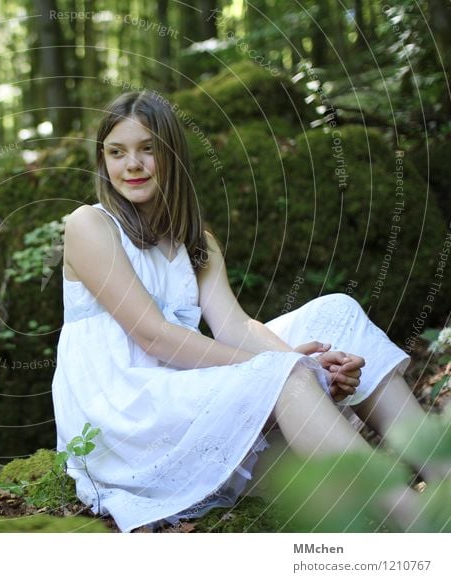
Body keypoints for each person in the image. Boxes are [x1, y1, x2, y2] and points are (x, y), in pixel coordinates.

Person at [51, 90, 448, 533]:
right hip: (126, 407)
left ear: (173, 155)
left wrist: (301, 362)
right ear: (102, 160)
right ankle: (419, 525)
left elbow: (235, 327)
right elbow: (153, 335)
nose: (133, 165)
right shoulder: (90, 225)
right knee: (287, 375)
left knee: (336, 312)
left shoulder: (196, 241)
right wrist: (294, 366)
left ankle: (443, 475)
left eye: (148, 149)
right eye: (116, 152)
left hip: (177, 385)